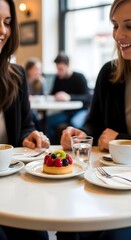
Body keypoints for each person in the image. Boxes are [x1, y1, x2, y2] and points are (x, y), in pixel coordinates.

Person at [58, 0, 131, 239]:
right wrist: (81, 133)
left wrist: (121, 140)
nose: (118, 35)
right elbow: (94, 123)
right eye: (115, 25)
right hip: (109, 180)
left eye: (129, 26)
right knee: (69, 224)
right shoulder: (109, 72)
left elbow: (113, 137)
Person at [0, 0, 49, 239]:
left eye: (7, 23)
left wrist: (28, 136)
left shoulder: (16, 75)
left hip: (11, 184)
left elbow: (24, 126)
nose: (3, 31)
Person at [47, 52, 91, 144]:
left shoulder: (79, 77)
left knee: (74, 125)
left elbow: (87, 98)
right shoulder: (58, 78)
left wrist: (69, 97)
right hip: (66, 112)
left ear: (68, 65)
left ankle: (75, 149)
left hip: (80, 111)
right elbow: (52, 94)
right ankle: (54, 147)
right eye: (57, 69)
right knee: (47, 122)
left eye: (61, 69)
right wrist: (56, 96)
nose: (59, 72)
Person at [25, 58, 48, 131]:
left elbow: (45, 97)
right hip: (27, 108)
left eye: (40, 69)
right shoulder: (23, 81)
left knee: (36, 116)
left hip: (37, 109)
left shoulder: (42, 81)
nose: (39, 71)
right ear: (29, 70)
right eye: (36, 69)